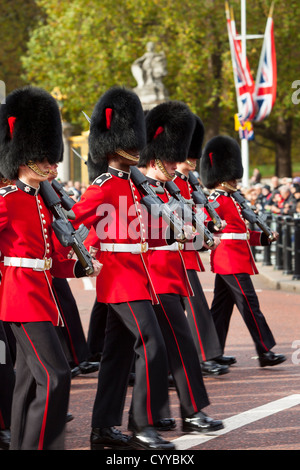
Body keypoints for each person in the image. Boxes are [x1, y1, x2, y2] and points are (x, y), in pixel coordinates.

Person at [70, 86, 174, 451]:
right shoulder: (102, 187)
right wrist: (85, 257)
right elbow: (72, 224)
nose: (136, 147)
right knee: (152, 344)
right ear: (113, 144)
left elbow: (142, 233)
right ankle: (142, 425)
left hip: (137, 275)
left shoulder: (134, 184)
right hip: (119, 279)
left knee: (116, 355)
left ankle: (102, 428)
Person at [0, 86, 101, 450]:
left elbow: (52, 259)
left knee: (28, 381)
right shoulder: (8, 200)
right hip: (20, 299)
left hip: (41, 297)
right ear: (24, 158)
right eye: (46, 159)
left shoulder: (42, 203)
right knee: (55, 375)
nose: (53, 166)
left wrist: (79, 269)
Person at [137, 101, 224, 434]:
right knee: (180, 346)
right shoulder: (140, 189)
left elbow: (182, 225)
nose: (178, 164)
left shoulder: (164, 186)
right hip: (154, 277)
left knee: (163, 348)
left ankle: (159, 412)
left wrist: (200, 237)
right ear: (157, 156)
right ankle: (191, 411)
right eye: (172, 158)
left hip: (170, 274)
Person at [200, 135, 286, 368]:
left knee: (221, 308)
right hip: (229, 260)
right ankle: (265, 351)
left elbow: (241, 234)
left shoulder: (232, 198)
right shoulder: (217, 199)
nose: (236, 179)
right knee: (250, 304)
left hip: (234, 258)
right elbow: (209, 225)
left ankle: (211, 352)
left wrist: (265, 238)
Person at [173, 115, 229, 375]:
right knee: (194, 307)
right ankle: (204, 357)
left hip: (188, 252)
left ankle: (205, 355)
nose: (193, 161)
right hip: (175, 253)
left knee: (191, 309)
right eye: (190, 156)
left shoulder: (188, 182)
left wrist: (206, 235)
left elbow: (195, 216)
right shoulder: (172, 182)